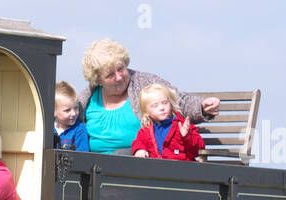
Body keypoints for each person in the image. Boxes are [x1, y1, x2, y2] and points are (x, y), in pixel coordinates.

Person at [75, 39, 219, 154]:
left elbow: (178, 99)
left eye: (121, 69)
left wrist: (201, 106)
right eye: (110, 75)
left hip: (137, 161)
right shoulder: (87, 99)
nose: (119, 77)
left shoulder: (143, 82)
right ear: (98, 80)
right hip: (94, 168)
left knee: (121, 156)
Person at [130, 83, 205, 161]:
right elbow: (138, 142)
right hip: (156, 170)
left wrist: (187, 136)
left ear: (171, 104)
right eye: (155, 106)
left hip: (182, 169)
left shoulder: (182, 126)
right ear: (146, 112)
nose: (162, 108)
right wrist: (140, 149)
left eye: (165, 103)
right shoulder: (146, 131)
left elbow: (198, 150)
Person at [54, 80, 89, 151]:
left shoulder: (79, 129)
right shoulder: (48, 129)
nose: (73, 114)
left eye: (76, 108)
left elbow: (83, 155)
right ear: (54, 111)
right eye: (67, 110)